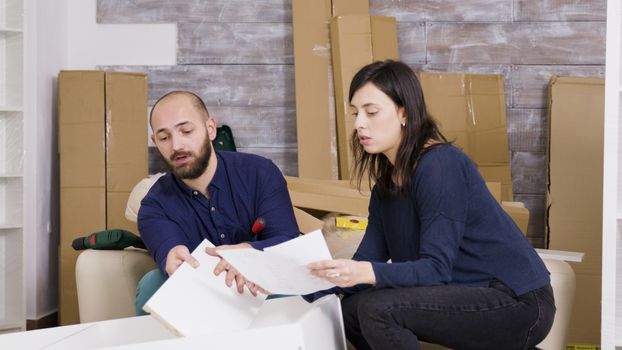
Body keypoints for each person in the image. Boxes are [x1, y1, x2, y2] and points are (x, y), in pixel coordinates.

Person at [306, 61, 555, 350]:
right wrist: (302, 286)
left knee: (378, 309)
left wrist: (365, 273)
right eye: (355, 113)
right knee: (350, 310)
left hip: (518, 302)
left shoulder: (440, 166)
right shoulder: (385, 189)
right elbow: (364, 263)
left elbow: (435, 269)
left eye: (371, 112)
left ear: (404, 113)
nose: (359, 123)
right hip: (466, 293)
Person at [135, 90, 299, 314]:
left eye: (186, 131)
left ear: (210, 129)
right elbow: (171, 252)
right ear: (155, 142)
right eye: (164, 138)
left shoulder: (260, 173)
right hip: (203, 299)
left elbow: (288, 241)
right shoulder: (153, 206)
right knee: (152, 285)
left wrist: (247, 252)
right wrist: (172, 256)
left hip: (263, 285)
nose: (176, 146)